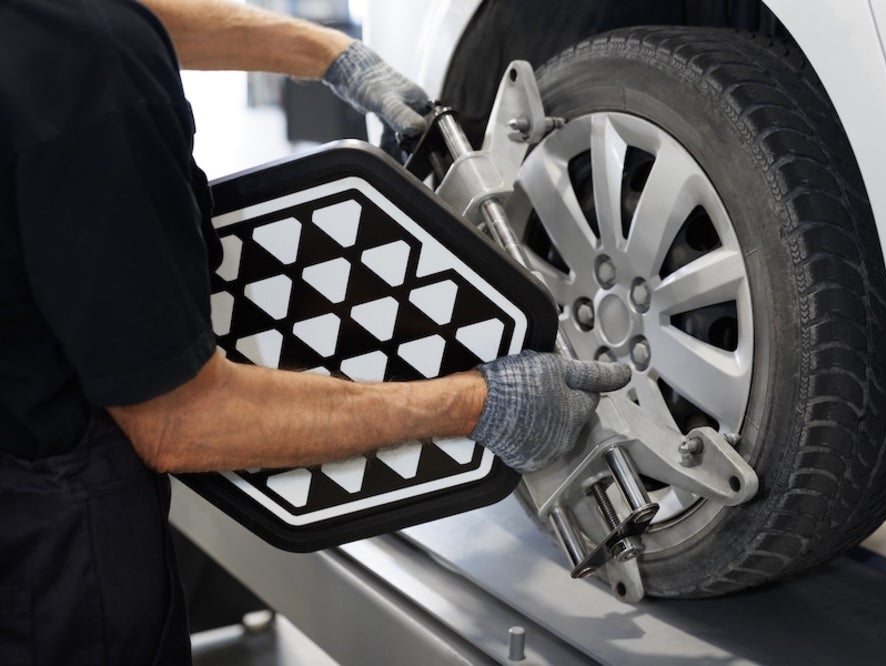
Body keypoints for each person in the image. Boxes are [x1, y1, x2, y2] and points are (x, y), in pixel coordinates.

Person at [0, 1, 630, 664]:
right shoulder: (90, 65)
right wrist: (477, 403)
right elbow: (183, 422)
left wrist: (323, 52)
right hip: (45, 567)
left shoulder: (71, 41)